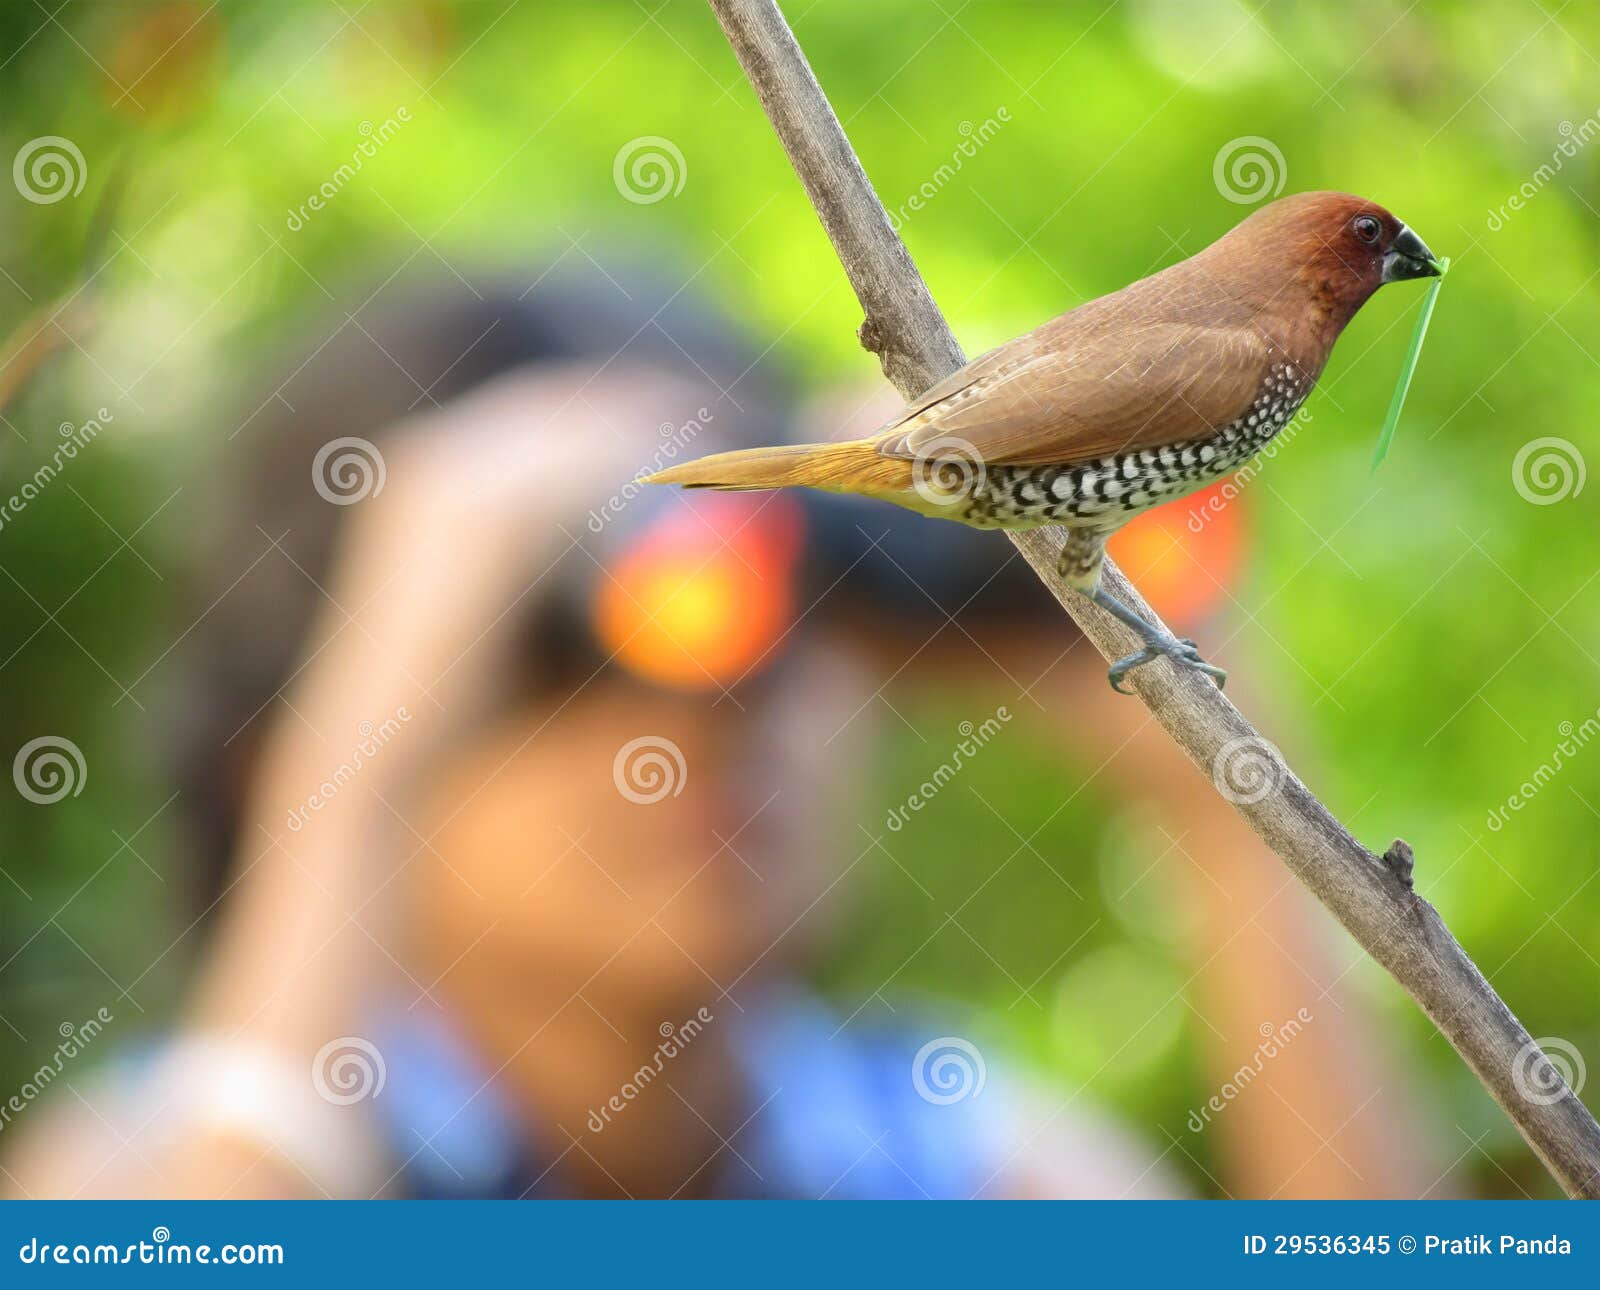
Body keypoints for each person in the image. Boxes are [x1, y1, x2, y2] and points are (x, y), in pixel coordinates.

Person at [3, 259, 1439, 1199]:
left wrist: (1238, 803)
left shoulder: (964, 1166)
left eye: (794, 588)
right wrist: (375, 729)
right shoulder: (133, 1171)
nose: (708, 704)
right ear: (289, 750)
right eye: (550, 639)